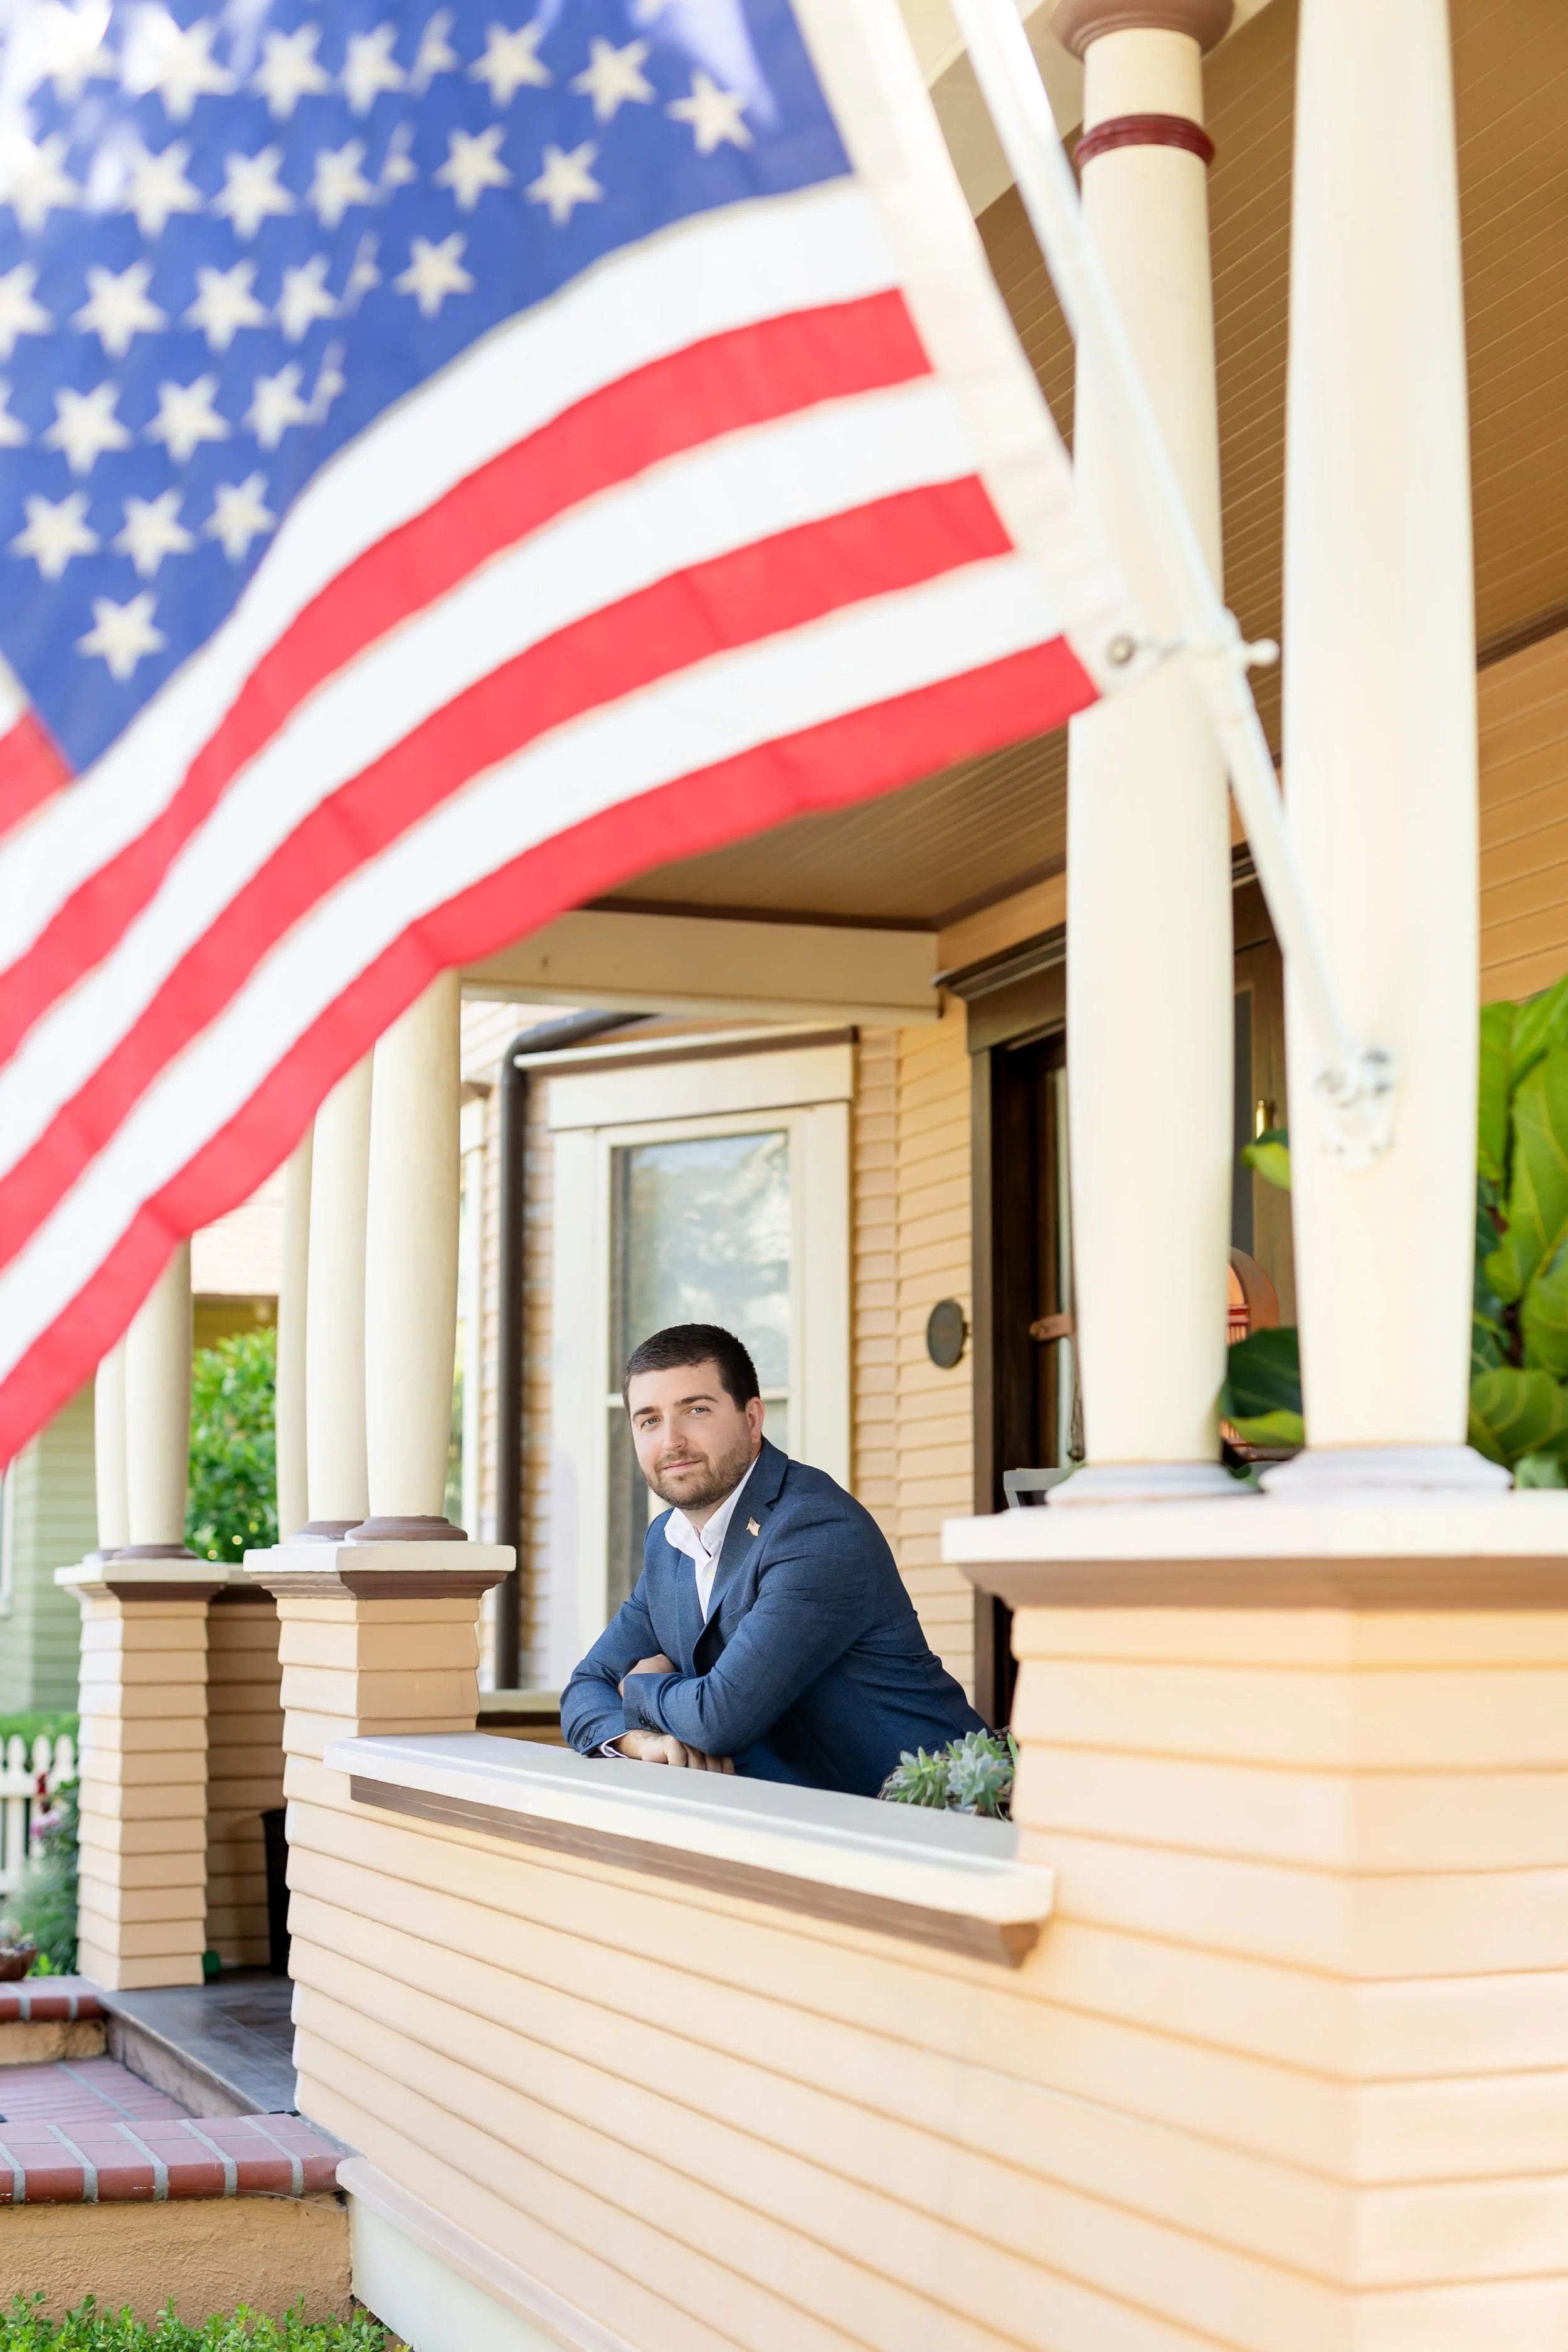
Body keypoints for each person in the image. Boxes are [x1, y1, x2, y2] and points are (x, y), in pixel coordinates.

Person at [561, 1322, 988, 1796]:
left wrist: (638, 1688)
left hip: (933, 1815)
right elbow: (585, 1686)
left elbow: (720, 1718)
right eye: (649, 1420)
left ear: (752, 1418)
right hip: (797, 1821)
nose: (671, 1441)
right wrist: (639, 1741)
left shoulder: (815, 1528)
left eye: (696, 1410)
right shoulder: (669, 1541)